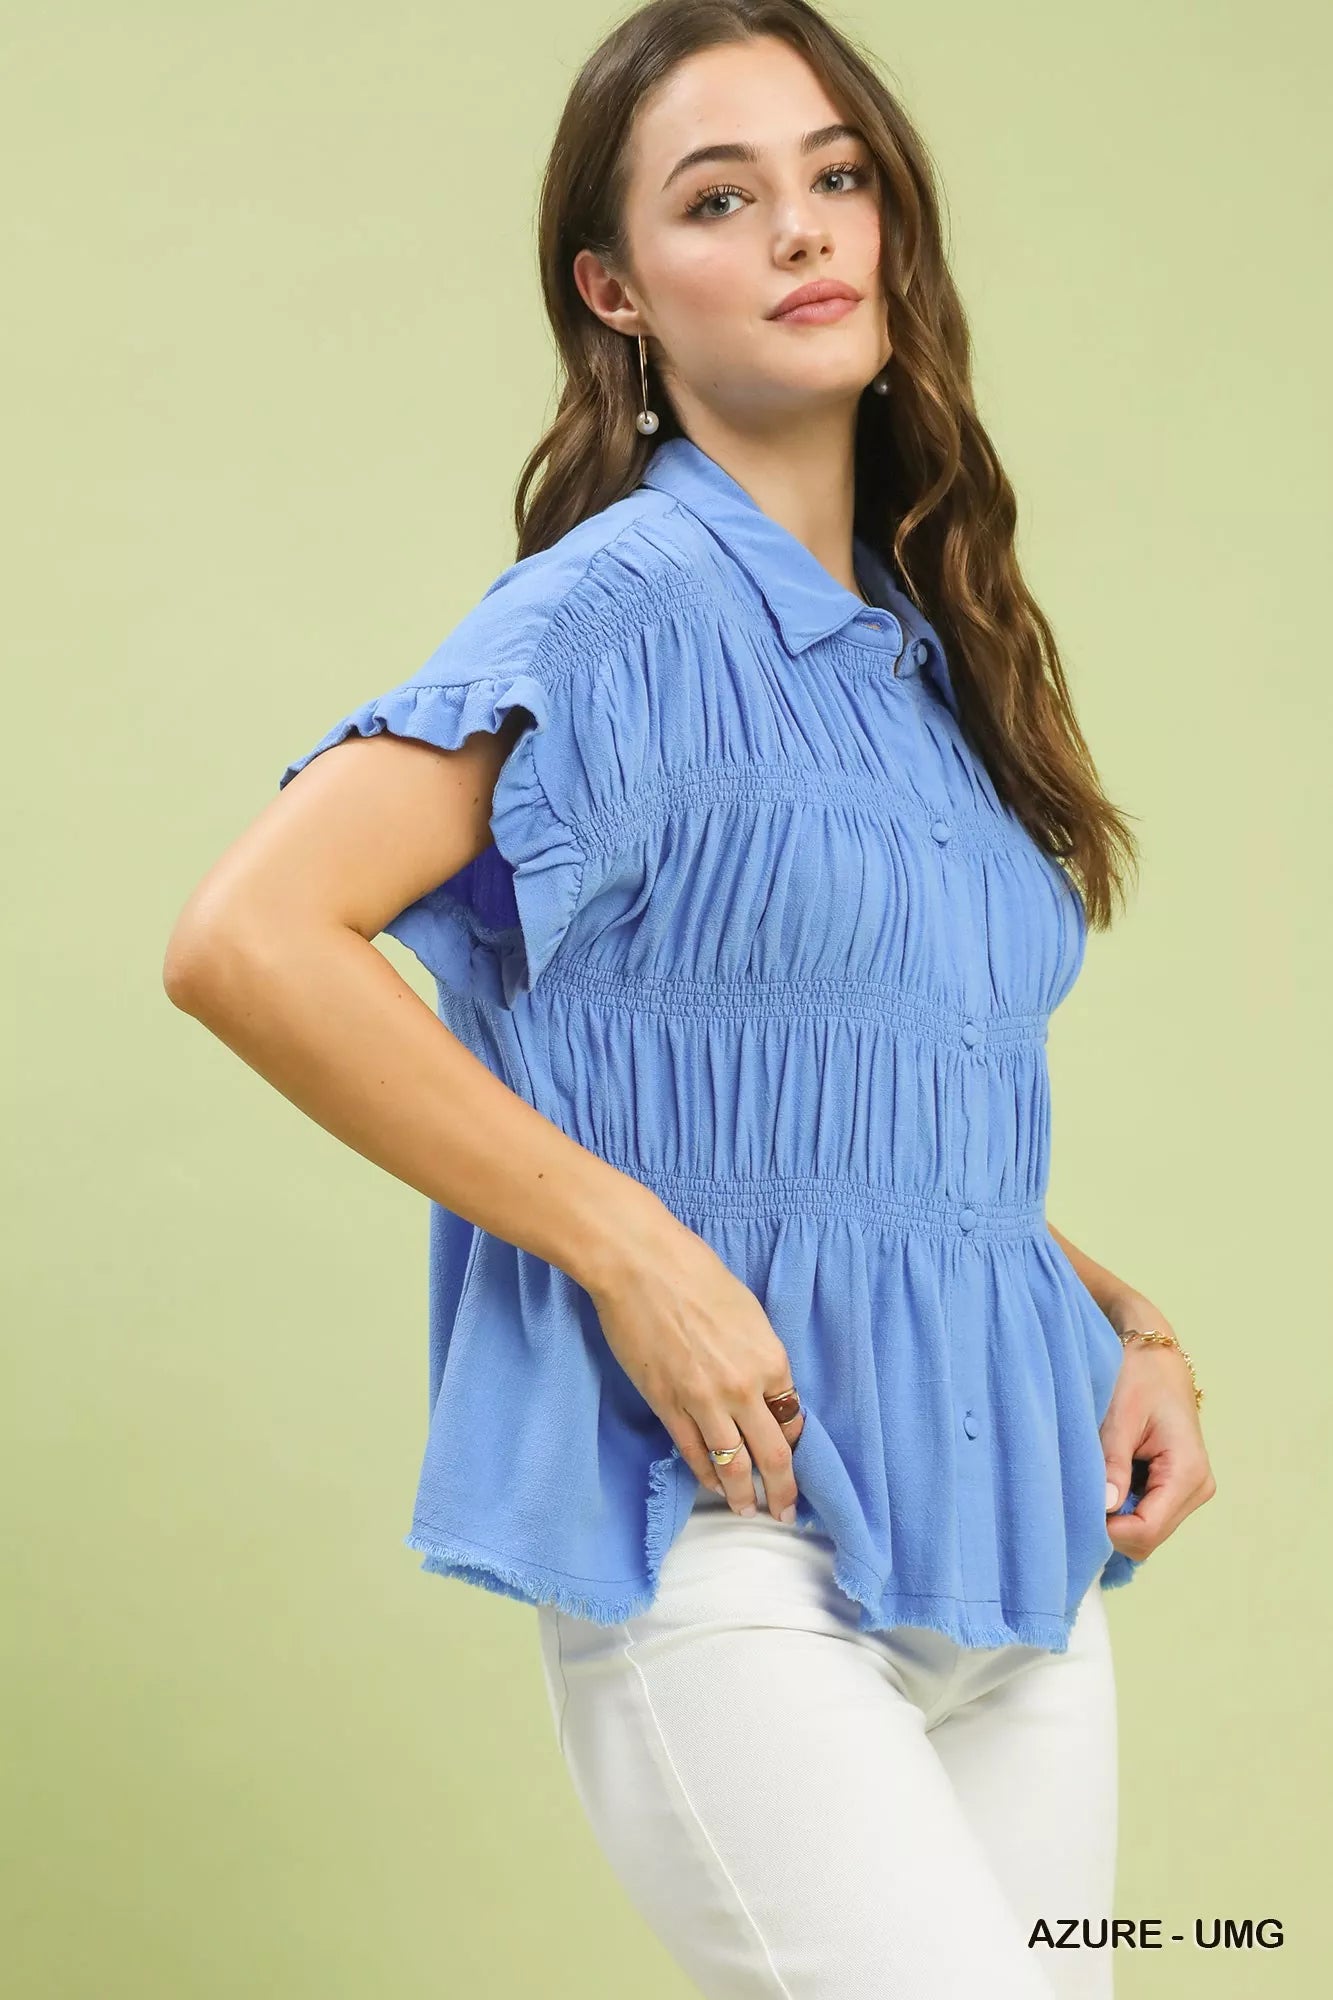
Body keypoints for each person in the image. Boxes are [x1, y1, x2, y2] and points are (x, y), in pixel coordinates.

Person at [163, 2, 1216, 1993]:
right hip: (731, 1535)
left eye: (838, 178)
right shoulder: (618, 609)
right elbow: (246, 939)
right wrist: (628, 1250)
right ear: (616, 291)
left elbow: (856, 1092)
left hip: (1011, 1546)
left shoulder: (924, 651)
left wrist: (1118, 1319)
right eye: (718, 200)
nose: (802, 229)